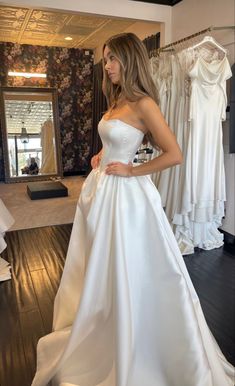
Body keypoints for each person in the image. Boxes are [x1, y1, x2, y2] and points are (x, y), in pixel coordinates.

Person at [32, 33, 234, 386]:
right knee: (103, 262)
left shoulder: (144, 103)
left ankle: (135, 335)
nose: (107, 66)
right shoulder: (117, 100)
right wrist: (102, 154)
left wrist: (130, 169)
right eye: (106, 59)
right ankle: (108, 318)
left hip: (127, 198)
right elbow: (115, 140)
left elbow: (174, 154)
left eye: (112, 59)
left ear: (129, 59)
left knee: (131, 264)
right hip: (103, 191)